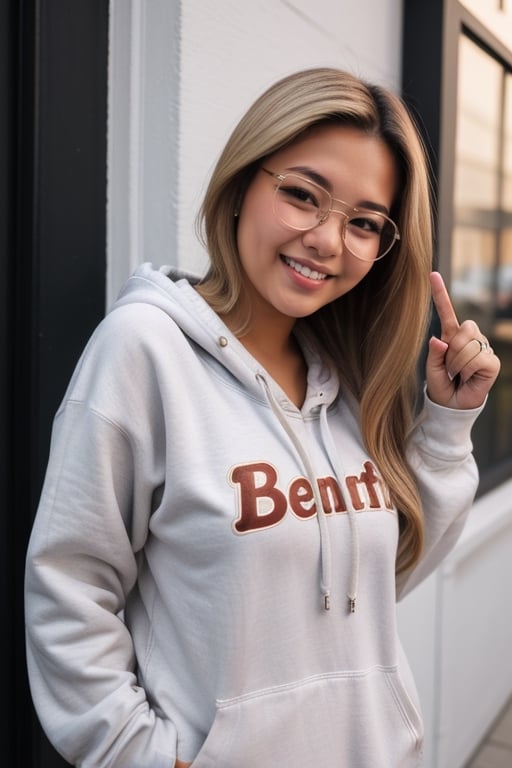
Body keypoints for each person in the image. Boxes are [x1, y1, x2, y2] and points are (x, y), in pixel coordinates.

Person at [25, 67, 500, 768]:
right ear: (244, 183)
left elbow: (383, 581)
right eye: (303, 195)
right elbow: (69, 591)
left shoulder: (346, 377)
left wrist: (446, 425)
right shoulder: (144, 351)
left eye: (365, 223)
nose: (328, 241)